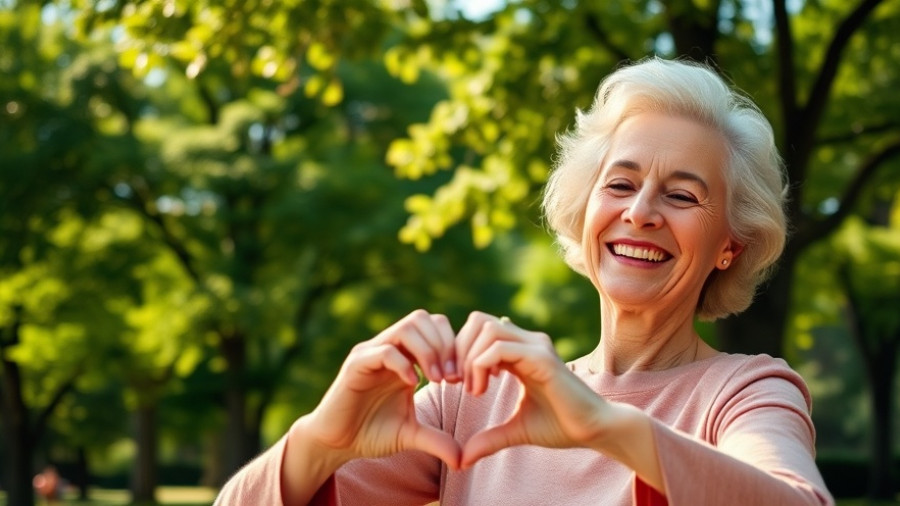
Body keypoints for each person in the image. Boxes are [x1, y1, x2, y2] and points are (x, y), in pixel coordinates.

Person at [214, 57, 834, 505]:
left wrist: (606, 426)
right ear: (584, 212)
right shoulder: (472, 398)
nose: (640, 211)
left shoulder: (747, 392)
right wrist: (322, 439)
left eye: (681, 194)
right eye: (618, 184)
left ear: (730, 245)